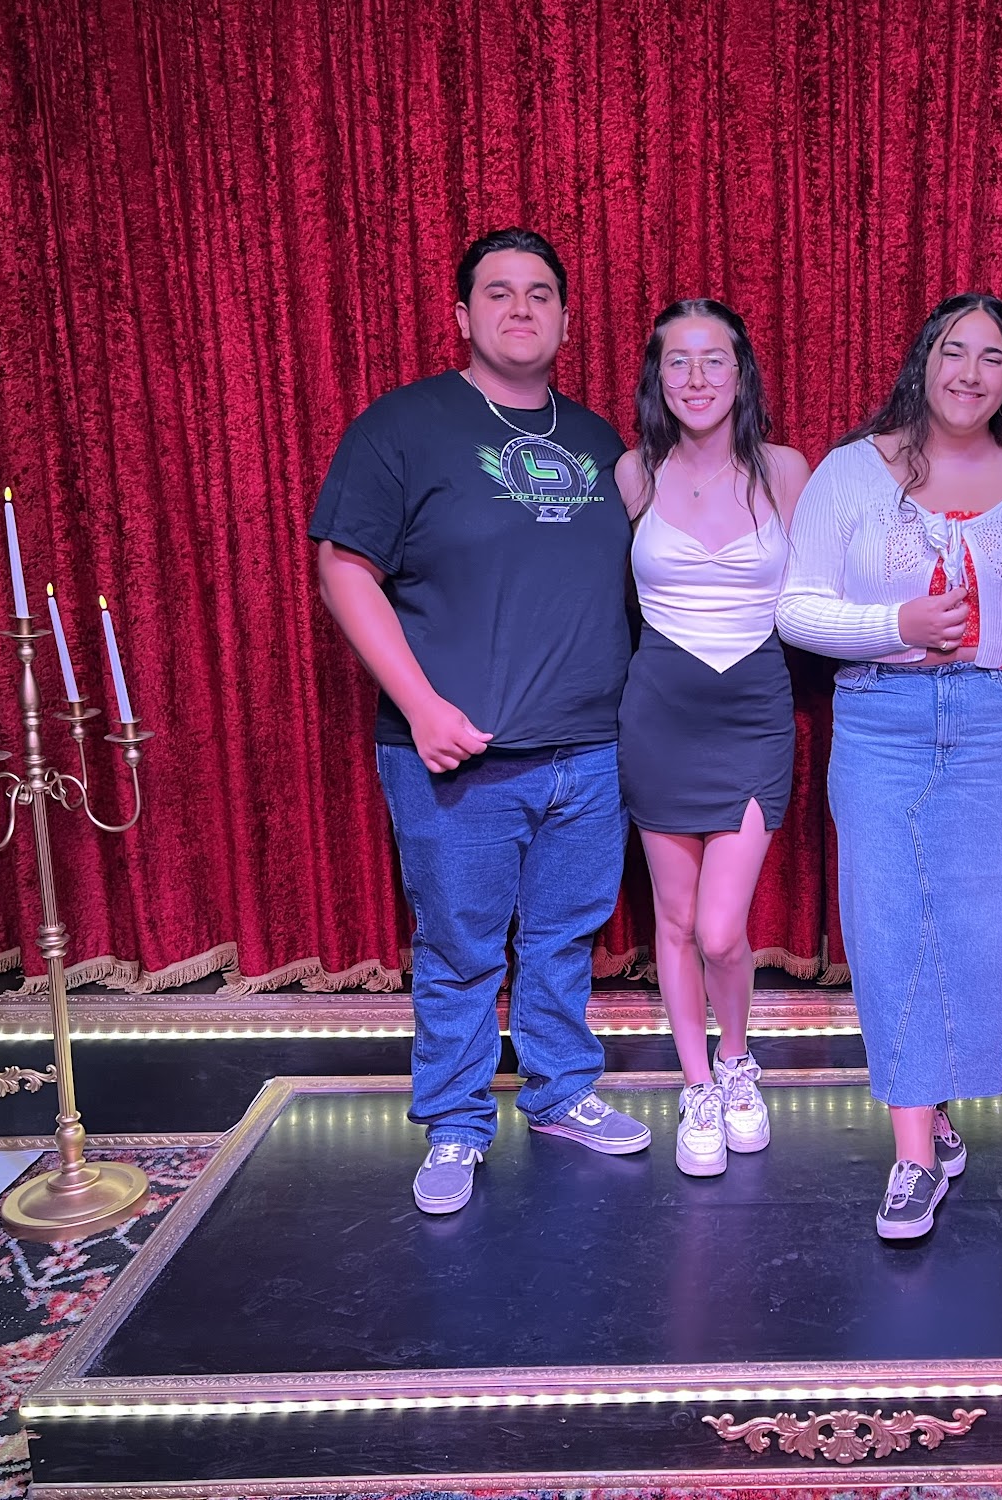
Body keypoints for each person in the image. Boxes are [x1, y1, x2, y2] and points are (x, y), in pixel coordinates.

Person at [309, 227, 649, 1217]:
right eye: (497, 292)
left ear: (566, 320)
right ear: (461, 315)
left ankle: (560, 1093)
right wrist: (420, 706)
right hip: (460, 756)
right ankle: (456, 1123)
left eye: (540, 293)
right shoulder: (402, 426)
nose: (520, 308)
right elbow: (342, 569)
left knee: (565, 938)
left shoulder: (600, 443)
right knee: (460, 950)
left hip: (591, 752)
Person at [777, 292, 1002, 1240]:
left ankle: (942, 1112)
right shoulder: (850, 471)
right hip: (882, 716)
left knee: (987, 928)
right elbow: (796, 608)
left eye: (992, 357)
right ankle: (914, 1151)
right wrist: (895, 624)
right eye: (955, 350)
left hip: (999, 724)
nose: (970, 372)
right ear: (925, 360)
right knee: (890, 925)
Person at [615, 298, 809, 1177]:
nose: (696, 378)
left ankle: (737, 1061)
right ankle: (697, 1084)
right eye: (678, 361)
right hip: (659, 713)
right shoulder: (634, 473)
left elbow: (823, 590)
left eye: (714, 360)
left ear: (742, 373)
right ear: (658, 377)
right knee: (677, 919)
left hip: (754, 710)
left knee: (724, 930)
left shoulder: (785, 470)